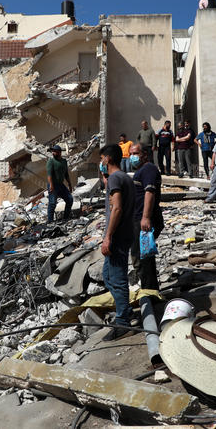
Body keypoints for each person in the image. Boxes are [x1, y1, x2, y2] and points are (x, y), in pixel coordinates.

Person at [99, 144, 135, 341]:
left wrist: (108, 236)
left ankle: (123, 322)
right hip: (124, 233)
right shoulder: (123, 178)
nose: (101, 162)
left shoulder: (115, 178)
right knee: (108, 276)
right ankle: (125, 308)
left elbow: (117, 208)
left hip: (118, 236)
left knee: (118, 278)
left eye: (102, 158)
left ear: (108, 159)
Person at [128, 143, 164, 291]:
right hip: (138, 219)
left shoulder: (149, 169)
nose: (132, 157)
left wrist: (146, 218)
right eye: (130, 153)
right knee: (140, 255)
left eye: (135, 153)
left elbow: (149, 193)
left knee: (144, 258)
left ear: (145, 154)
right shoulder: (141, 170)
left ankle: (150, 291)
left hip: (144, 221)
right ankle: (147, 287)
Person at [46, 145, 73, 223]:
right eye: (53, 151)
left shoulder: (64, 161)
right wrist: (51, 185)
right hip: (53, 184)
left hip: (61, 185)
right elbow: (49, 175)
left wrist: (70, 184)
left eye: (55, 151)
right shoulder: (51, 161)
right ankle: (50, 221)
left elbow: (66, 174)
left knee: (69, 199)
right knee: (52, 203)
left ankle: (66, 217)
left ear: (59, 152)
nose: (53, 153)